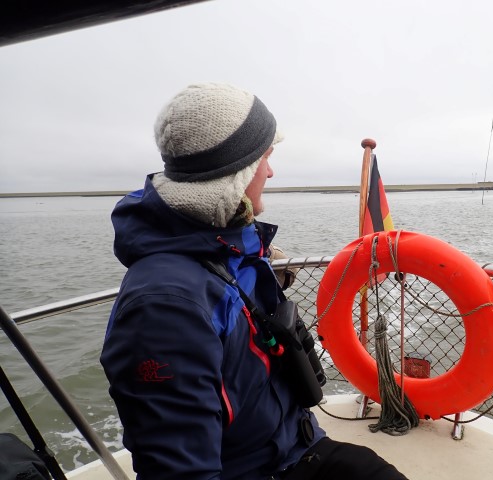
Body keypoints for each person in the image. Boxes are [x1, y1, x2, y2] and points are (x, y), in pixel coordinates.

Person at [100, 82, 408, 480]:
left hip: (298, 446)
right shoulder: (164, 308)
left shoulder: (227, 248)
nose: (271, 172)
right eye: (266, 158)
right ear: (236, 172)